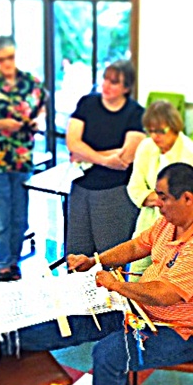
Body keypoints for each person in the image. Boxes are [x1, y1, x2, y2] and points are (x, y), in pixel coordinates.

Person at [0, 163, 193, 385]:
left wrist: (116, 286)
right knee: (76, 320)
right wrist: (95, 261)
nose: (157, 203)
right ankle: (1, 343)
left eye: (163, 197)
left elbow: (164, 294)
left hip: (181, 332)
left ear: (187, 198)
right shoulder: (174, 220)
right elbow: (137, 246)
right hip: (143, 310)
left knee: (108, 355)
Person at [0, 35, 47, 282]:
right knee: (0, 217)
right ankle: (3, 264)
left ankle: (14, 260)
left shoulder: (31, 83)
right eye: (1, 59)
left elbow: (42, 110)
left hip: (23, 158)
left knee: (20, 217)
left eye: (10, 57)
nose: (6, 63)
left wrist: (38, 122)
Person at [66, 59, 146, 256]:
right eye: (105, 79)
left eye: (114, 82)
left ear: (126, 88)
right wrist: (105, 159)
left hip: (115, 191)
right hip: (80, 188)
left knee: (111, 256)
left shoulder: (136, 113)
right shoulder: (87, 103)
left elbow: (126, 157)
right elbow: (73, 144)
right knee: (77, 255)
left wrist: (85, 155)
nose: (106, 85)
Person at [127, 100, 193, 279]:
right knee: (135, 278)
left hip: (177, 232)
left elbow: (191, 200)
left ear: (174, 126)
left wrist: (153, 198)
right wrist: (166, 199)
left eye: (161, 131)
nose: (155, 136)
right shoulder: (146, 146)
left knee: (164, 283)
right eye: (150, 131)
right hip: (146, 226)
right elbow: (134, 188)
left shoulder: (190, 153)